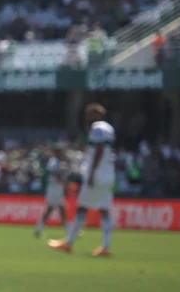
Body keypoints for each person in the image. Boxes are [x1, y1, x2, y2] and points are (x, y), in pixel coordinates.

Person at [48, 103, 115, 256]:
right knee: (105, 210)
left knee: (82, 208)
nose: (88, 117)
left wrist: (92, 172)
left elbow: (99, 149)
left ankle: (69, 243)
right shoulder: (109, 128)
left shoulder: (97, 128)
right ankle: (106, 246)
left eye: (90, 114)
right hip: (108, 173)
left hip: (97, 174)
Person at [35, 147, 69, 238]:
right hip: (54, 187)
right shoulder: (53, 161)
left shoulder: (60, 162)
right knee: (50, 209)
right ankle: (39, 228)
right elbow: (56, 173)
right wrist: (63, 182)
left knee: (62, 208)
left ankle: (68, 229)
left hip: (58, 187)